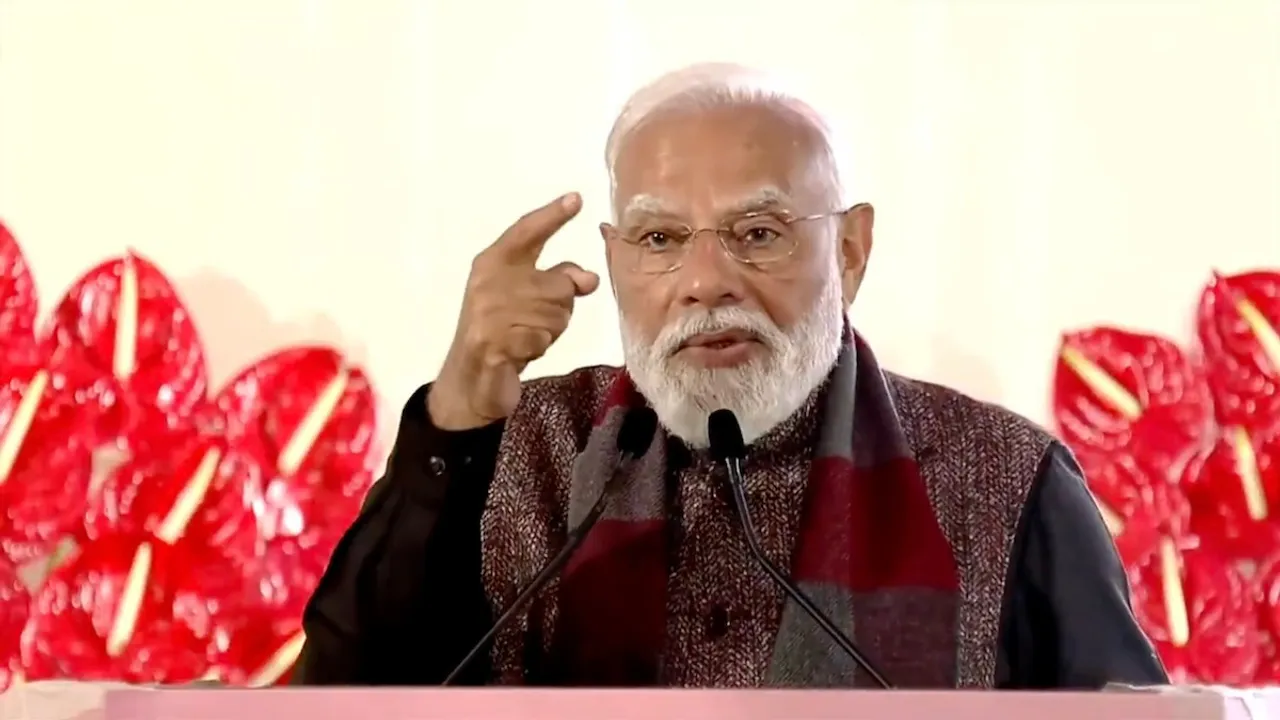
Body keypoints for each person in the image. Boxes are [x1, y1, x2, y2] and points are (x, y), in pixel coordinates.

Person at [293, 63, 1167, 688]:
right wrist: (457, 416)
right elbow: (341, 695)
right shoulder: (524, 449)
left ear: (851, 250)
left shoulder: (1006, 478)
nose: (706, 282)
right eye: (661, 239)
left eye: (758, 233)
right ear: (615, 259)